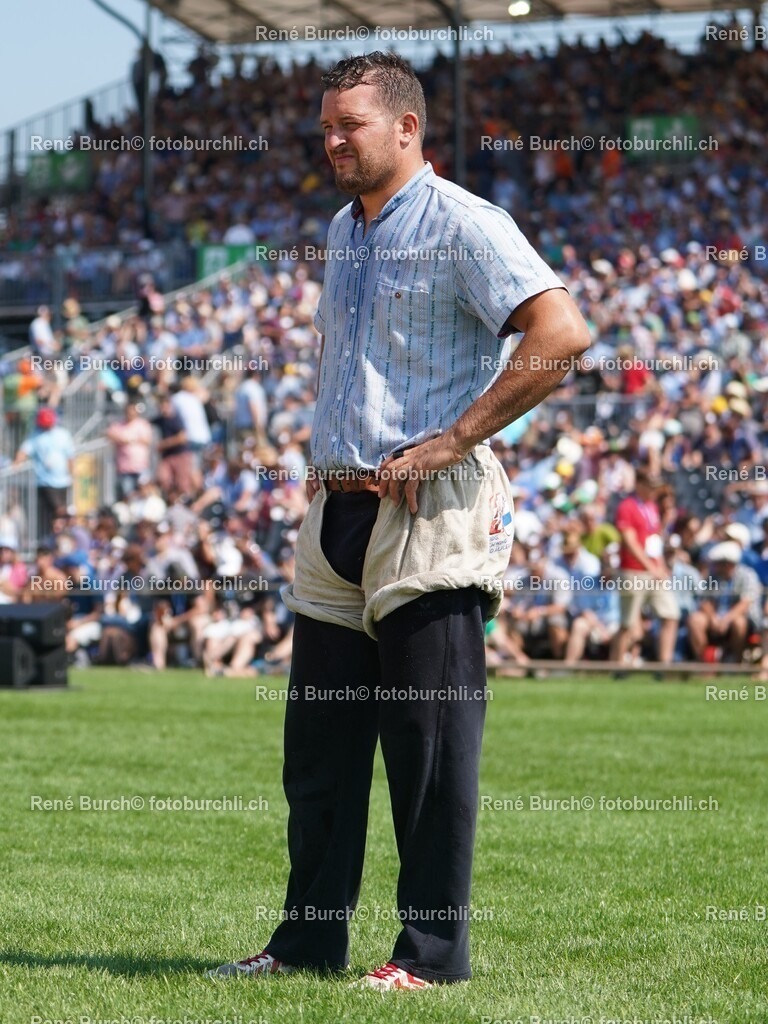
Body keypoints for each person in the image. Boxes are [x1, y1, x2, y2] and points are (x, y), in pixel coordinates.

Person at [209, 52, 589, 990]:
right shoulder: (343, 229)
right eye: (327, 125)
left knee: (427, 749)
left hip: (430, 508)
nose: (334, 139)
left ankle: (431, 956)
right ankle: (306, 945)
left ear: (408, 128)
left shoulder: (465, 220)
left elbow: (562, 335)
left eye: (352, 125)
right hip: (337, 507)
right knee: (321, 752)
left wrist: (453, 440)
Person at [612, 470, 680, 667]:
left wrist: (660, 566)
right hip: (632, 571)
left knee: (670, 614)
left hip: (653, 571)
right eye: (650, 486)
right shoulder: (627, 507)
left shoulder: (651, 506)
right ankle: (617, 666)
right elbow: (630, 542)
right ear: (639, 484)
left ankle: (664, 665)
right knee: (627, 623)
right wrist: (652, 567)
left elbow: (653, 540)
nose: (654, 491)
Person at [13, 408, 75, 540]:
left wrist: (73, 475)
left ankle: (62, 537)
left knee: (61, 512)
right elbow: (24, 451)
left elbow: (70, 457)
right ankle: (50, 539)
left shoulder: (63, 434)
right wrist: (16, 464)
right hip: (45, 482)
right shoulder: (35, 435)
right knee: (52, 513)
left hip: (63, 481)